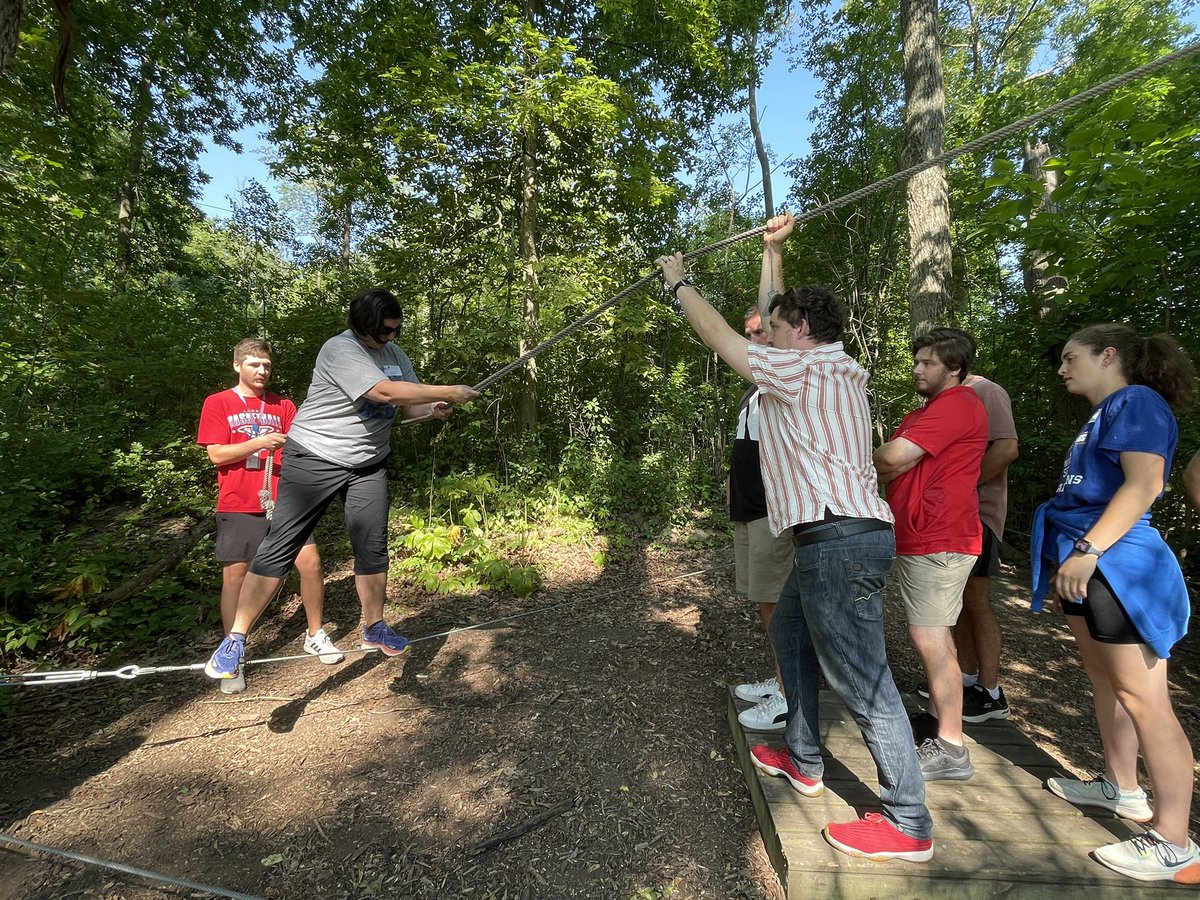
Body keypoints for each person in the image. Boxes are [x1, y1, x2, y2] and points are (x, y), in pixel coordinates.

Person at [656, 213, 933, 863]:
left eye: (777, 326)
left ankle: (908, 820)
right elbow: (762, 316)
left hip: (839, 539)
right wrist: (771, 252)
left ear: (800, 333)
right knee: (790, 637)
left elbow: (724, 335)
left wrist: (679, 284)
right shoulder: (821, 366)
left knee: (864, 681)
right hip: (829, 539)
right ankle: (805, 759)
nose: (767, 331)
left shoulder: (804, 372)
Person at [204, 289, 480, 682]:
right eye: (384, 332)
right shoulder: (339, 349)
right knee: (282, 544)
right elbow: (381, 392)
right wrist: (447, 390)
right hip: (314, 456)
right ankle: (235, 638)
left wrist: (433, 409)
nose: (390, 339)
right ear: (363, 326)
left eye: (396, 331)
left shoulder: (395, 356)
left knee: (372, 542)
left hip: (367, 463)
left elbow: (409, 403)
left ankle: (374, 626)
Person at [1031, 324, 1198, 883]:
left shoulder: (1138, 401)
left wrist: (1086, 550)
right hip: (1090, 563)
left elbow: (1145, 483)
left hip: (1122, 567)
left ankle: (1175, 841)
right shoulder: (1109, 411)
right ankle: (1121, 788)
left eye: (1071, 356)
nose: (1061, 368)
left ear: (1109, 355)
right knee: (1107, 682)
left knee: (1148, 700)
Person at [197, 338, 342, 694]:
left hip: (288, 502)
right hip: (240, 502)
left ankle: (315, 634)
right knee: (236, 577)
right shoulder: (218, 403)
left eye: (266, 365)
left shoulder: (284, 405)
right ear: (237, 365)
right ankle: (234, 655)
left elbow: (306, 443)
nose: (261, 371)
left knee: (310, 564)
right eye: (253, 364)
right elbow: (217, 455)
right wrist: (260, 443)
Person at [874, 329, 987, 782]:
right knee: (934, 637)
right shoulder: (929, 411)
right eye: (916, 361)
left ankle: (952, 749)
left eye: (927, 363)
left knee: (931, 640)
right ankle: (942, 726)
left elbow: (891, 457)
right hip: (924, 535)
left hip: (940, 537)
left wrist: (895, 459)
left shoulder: (957, 404)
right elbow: (895, 461)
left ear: (954, 368)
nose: (917, 369)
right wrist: (895, 460)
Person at [730, 302, 798, 734]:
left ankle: (789, 695)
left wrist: (772, 251)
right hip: (750, 507)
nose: (755, 342)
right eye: (750, 335)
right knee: (765, 599)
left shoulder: (784, 378)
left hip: (775, 510)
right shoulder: (753, 390)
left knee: (779, 602)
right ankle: (779, 679)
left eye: (761, 333)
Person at [957, 363, 1018, 722]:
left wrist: (963, 485)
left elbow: (1007, 448)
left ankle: (991, 692)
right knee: (960, 600)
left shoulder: (987, 391)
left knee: (977, 599)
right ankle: (965, 680)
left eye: (927, 359)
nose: (919, 367)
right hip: (954, 516)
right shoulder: (948, 397)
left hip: (978, 515)